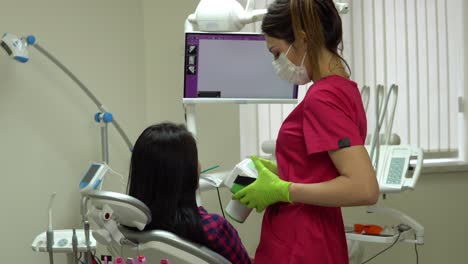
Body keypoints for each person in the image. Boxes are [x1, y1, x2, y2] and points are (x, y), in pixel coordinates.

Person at [233, 0, 379, 263]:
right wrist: (286, 171)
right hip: (318, 237)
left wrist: (283, 189)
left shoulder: (322, 98)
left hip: (300, 243)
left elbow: (363, 188)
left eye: (276, 52)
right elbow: (325, 168)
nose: (276, 62)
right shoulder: (344, 89)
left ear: (301, 39)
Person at [127, 122, 251, 264]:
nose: (199, 165)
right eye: (194, 159)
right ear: (184, 173)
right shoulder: (215, 229)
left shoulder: (128, 228)